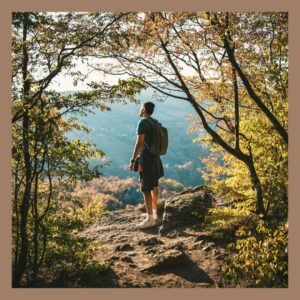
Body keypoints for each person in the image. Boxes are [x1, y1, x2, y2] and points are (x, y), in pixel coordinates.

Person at [129, 102, 164, 229]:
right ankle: (154, 215)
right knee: (154, 185)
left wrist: (133, 160)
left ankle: (150, 219)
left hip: (146, 159)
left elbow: (139, 143)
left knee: (145, 188)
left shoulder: (143, 122)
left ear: (144, 109)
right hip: (156, 157)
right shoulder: (155, 122)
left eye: (141, 107)